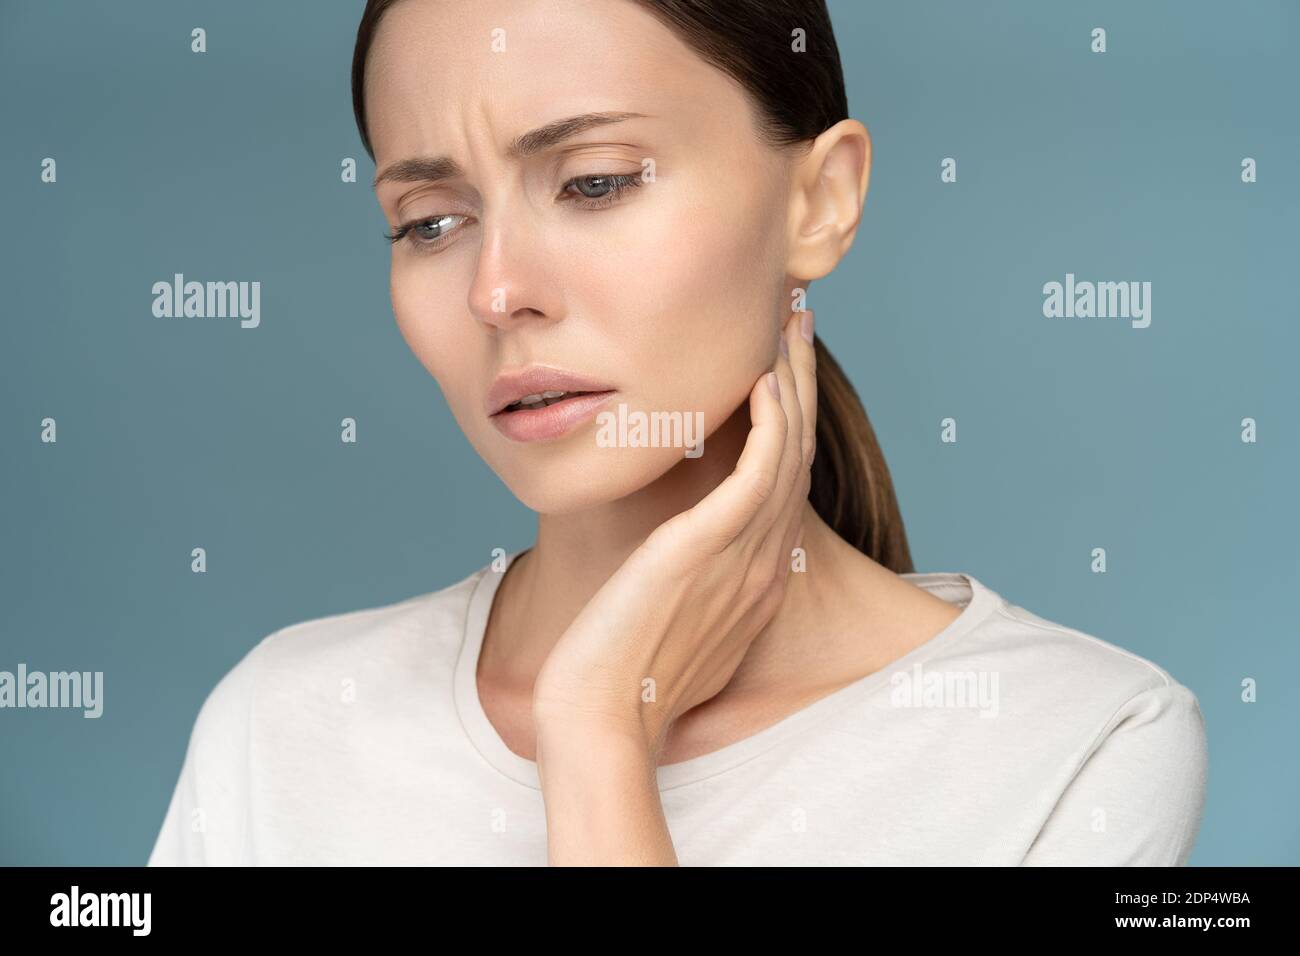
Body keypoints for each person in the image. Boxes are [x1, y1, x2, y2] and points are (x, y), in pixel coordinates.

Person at [147, 0, 1207, 866]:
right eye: (431, 219)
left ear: (820, 202)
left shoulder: (1079, 738)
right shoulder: (283, 722)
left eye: (596, 181)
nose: (497, 289)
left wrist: (599, 734)